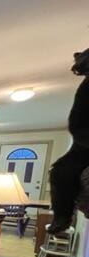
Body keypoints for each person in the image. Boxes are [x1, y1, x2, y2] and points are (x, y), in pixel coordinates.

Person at [48, 48, 89, 234]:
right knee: (59, 171)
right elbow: (77, 121)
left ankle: (62, 216)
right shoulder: (86, 89)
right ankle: (62, 216)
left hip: (82, 142)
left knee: (61, 171)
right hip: (83, 143)